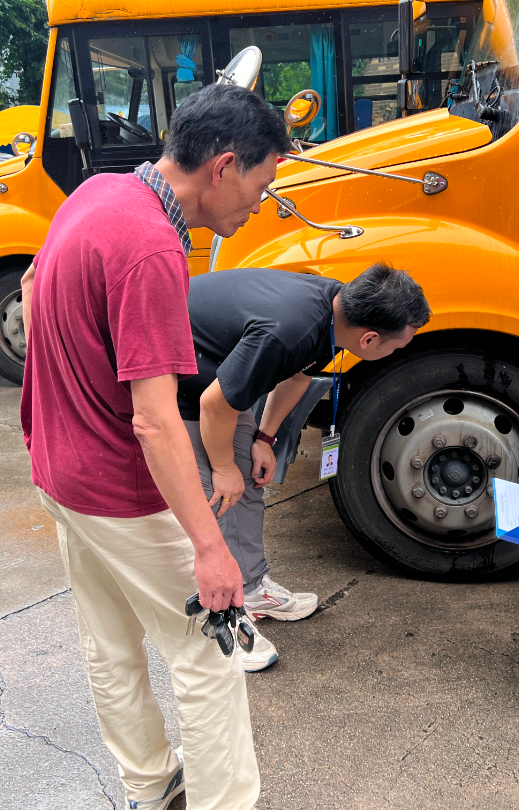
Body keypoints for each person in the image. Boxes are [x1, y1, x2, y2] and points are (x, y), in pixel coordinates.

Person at [20, 83, 290, 810]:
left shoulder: (98, 192)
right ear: (225, 167)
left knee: (110, 643)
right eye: (262, 185)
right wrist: (210, 546)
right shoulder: (152, 250)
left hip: (57, 470)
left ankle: (148, 783)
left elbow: (32, 282)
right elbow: (155, 421)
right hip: (118, 491)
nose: (261, 204)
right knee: (209, 656)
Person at [178, 262, 431, 672]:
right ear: (369, 339)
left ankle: (252, 587)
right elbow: (213, 404)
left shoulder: (335, 311)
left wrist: (264, 438)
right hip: (187, 379)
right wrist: (223, 467)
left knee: (248, 483)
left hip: (226, 374)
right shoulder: (289, 330)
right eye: (397, 346)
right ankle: (222, 620)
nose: (397, 353)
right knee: (216, 498)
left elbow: (295, 376)